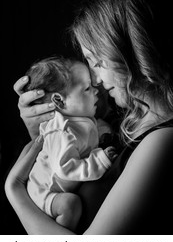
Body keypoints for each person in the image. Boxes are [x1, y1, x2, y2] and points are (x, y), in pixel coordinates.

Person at [5, 0, 173, 234]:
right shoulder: (120, 125)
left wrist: (15, 190)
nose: (94, 80)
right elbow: (68, 175)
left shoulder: (162, 142)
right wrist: (44, 136)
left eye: (96, 62)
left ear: (129, 51)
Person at [22, 56, 116, 231]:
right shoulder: (60, 132)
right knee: (70, 205)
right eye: (87, 88)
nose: (96, 90)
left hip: (58, 188)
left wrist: (104, 132)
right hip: (45, 191)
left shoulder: (81, 120)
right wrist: (100, 160)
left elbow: (93, 128)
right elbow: (65, 168)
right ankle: (61, 241)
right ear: (59, 101)